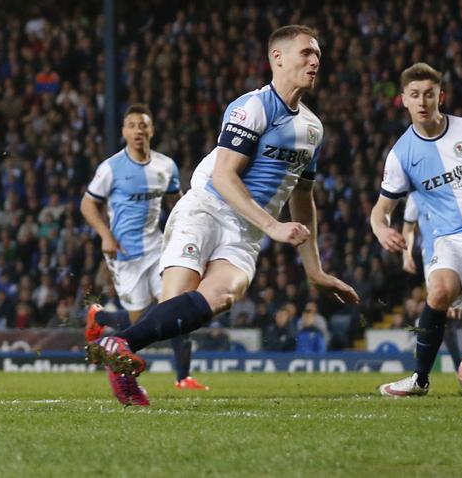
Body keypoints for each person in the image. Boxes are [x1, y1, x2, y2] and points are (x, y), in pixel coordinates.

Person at [88, 25, 358, 405]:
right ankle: (118, 346)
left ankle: (116, 344)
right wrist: (273, 226)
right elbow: (224, 175)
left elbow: (303, 198)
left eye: (317, 55)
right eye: (305, 53)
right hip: (208, 208)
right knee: (175, 301)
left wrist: (314, 270)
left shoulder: (312, 129)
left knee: (222, 296)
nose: (315, 61)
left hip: (246, 231)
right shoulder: (252, 108)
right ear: (277, 58)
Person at [372, 63, 462, 396]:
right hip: (451, 239)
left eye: (429, 94)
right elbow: (380, 211)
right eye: (414, 95)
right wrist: (381, 230)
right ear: (404, 101)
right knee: (438, 293)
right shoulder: (400, 155)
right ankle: (419, 380)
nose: (422, 101)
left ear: (441, 96)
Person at [80, 104, 206, 390]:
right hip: (124, 254)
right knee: (138, 323)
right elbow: (88, 204)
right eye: (132, 125)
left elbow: (177, 201)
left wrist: (192, 227)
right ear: (124, 132)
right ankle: (98, 316)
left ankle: (183, 377)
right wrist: (105, 235)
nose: (138, 130)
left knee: (175, 307)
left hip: (158, 248)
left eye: (143, 125)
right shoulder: (111, 168)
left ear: (151, 130)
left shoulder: (166, 165)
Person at [399, 196, 462, 369]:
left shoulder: (448, 188)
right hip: (431, 260)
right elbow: (408, 228)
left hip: (456, 254)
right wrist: (407, 255)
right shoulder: (415, 196)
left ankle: (425, 370)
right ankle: (458, 369)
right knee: (444, 317)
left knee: (447, 318)